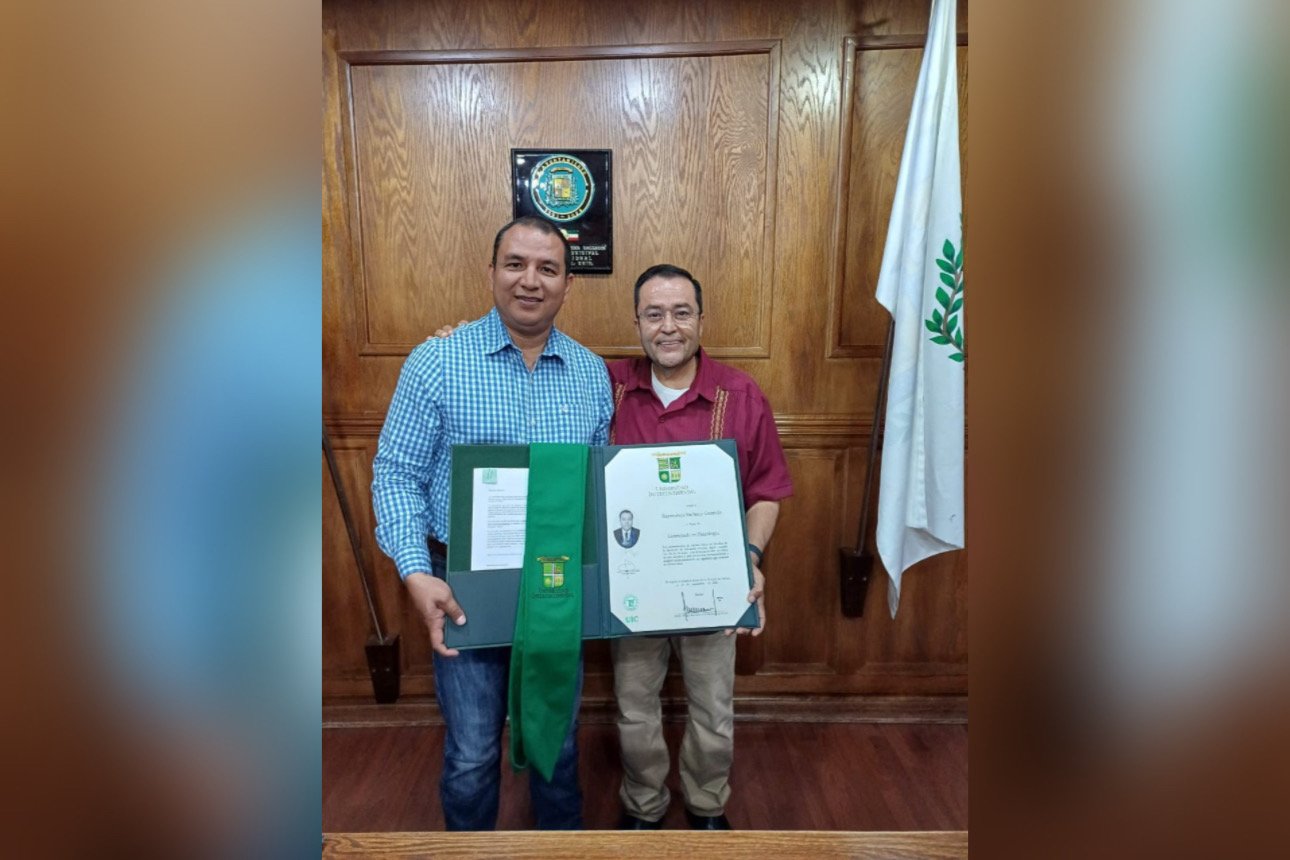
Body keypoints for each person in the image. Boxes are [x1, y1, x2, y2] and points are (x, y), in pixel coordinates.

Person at [370, 216, 613, 831]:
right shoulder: (436, 362)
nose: (530, 281)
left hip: (557, 584)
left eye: (548, 269)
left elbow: (599, 490)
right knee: (473, 752)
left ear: (568, 285)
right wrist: (415, 572)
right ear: (491, 273)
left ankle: (560, 847)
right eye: (515, 264)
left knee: (556, 742)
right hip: (464, 587)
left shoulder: (591, 373)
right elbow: (395, 474)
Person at [608, 263, 792, 831]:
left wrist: (750, 558)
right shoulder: (606, 384)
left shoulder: (741, 394)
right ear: (637, 323)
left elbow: (766, 492)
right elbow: (539, 360)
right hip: (632, 586)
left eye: (681, 313)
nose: (668, 326)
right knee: (634, 708)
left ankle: (707, 803)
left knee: (714, 708)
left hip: (712, 582)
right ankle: (644, 804)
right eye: (654, 314)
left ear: (701, 320)